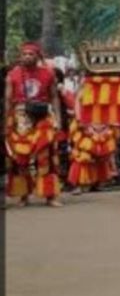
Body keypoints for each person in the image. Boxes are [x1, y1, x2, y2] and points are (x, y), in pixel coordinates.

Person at [5, 42, 63, 207]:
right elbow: (8, 101)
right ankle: (23, 195)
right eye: (25, 54)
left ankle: (50, 195)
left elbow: (54, 97)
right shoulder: (12, 75)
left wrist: (57, 118)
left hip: (43, 115)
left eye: (31, 54)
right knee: (20, 157)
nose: (27, 57)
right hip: (20, 117)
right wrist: (6, 122)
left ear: (38, 56)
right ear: (20, 56)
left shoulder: (48, 74)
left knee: (46, 156)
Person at [67, 121, 118, 194]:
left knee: (101, 159)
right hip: (86, 130)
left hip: (102, 128)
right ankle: (78, 186)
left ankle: (95, 184)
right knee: (83, 157)